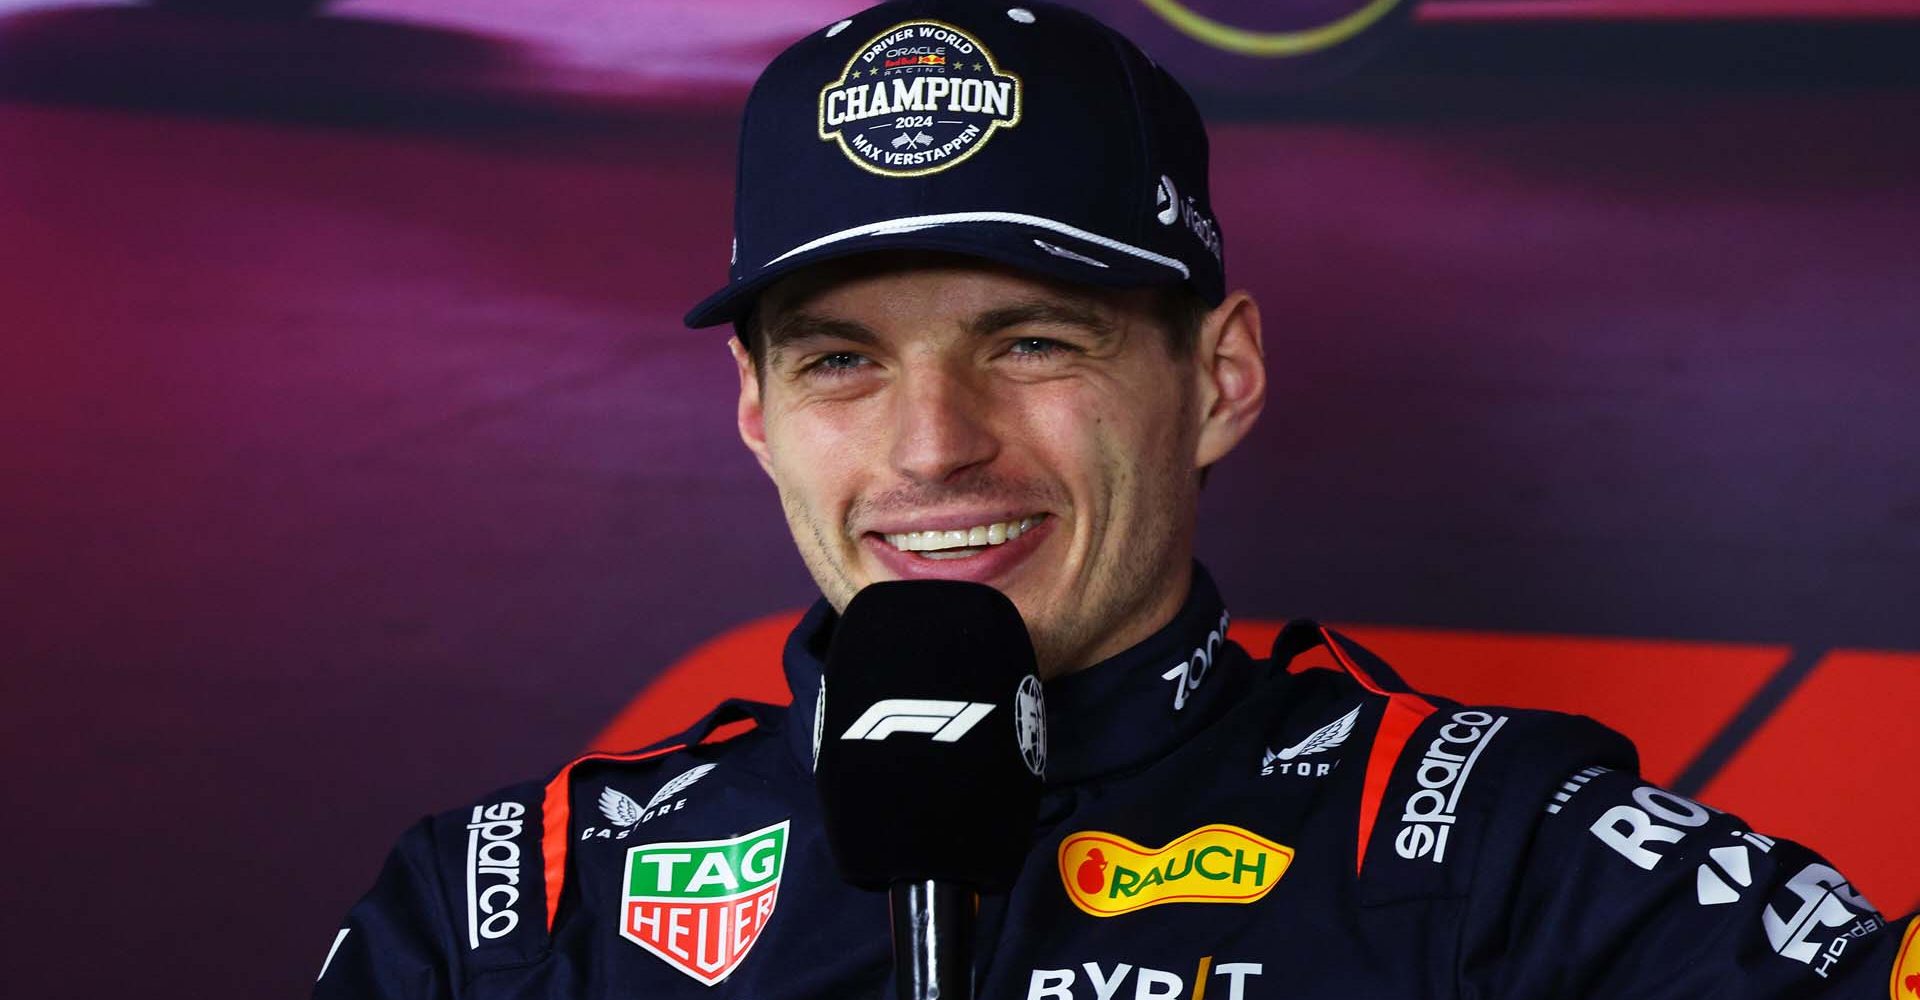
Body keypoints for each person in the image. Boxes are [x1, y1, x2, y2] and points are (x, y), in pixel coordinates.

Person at [313, 2, 1919, 997]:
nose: (934, 445)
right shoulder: (515, 903)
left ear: (1219, 377)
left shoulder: (1496, 852)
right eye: (841, 363)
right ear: (754, 413)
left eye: (1029, 340)